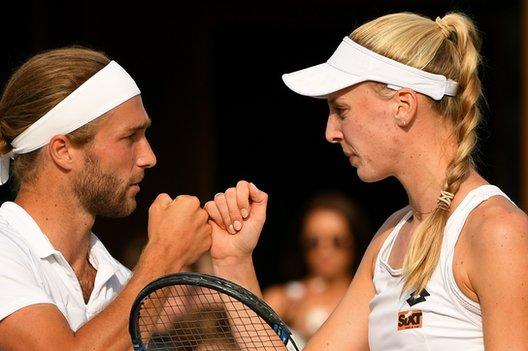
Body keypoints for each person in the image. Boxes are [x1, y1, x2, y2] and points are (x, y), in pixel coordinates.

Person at [205, 12, 528, 350]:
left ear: (403, 105)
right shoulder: (389, 237)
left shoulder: (497, 231)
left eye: (341, 110)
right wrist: (234, 262)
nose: (330, 132)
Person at [0, 46, 267, 351]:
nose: (149, 157)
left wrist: (233, 261)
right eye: (130, 136)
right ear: (63, 151)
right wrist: (167, 253)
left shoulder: (119, 280)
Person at [263, 194, 369, 341]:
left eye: (337, 241)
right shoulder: (283, 299)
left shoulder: (370, 299)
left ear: (355, 243)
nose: (324, 251)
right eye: (313, 242)